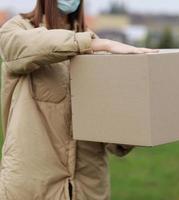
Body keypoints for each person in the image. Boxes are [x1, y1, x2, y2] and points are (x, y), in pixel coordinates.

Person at [0, 0, 158, 199]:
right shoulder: (16, 29)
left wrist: (140, 120)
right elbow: (22, 48)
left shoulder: (96, 44)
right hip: (32, 187)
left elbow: (111, 134)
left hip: (88, 187)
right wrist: (96, 44)